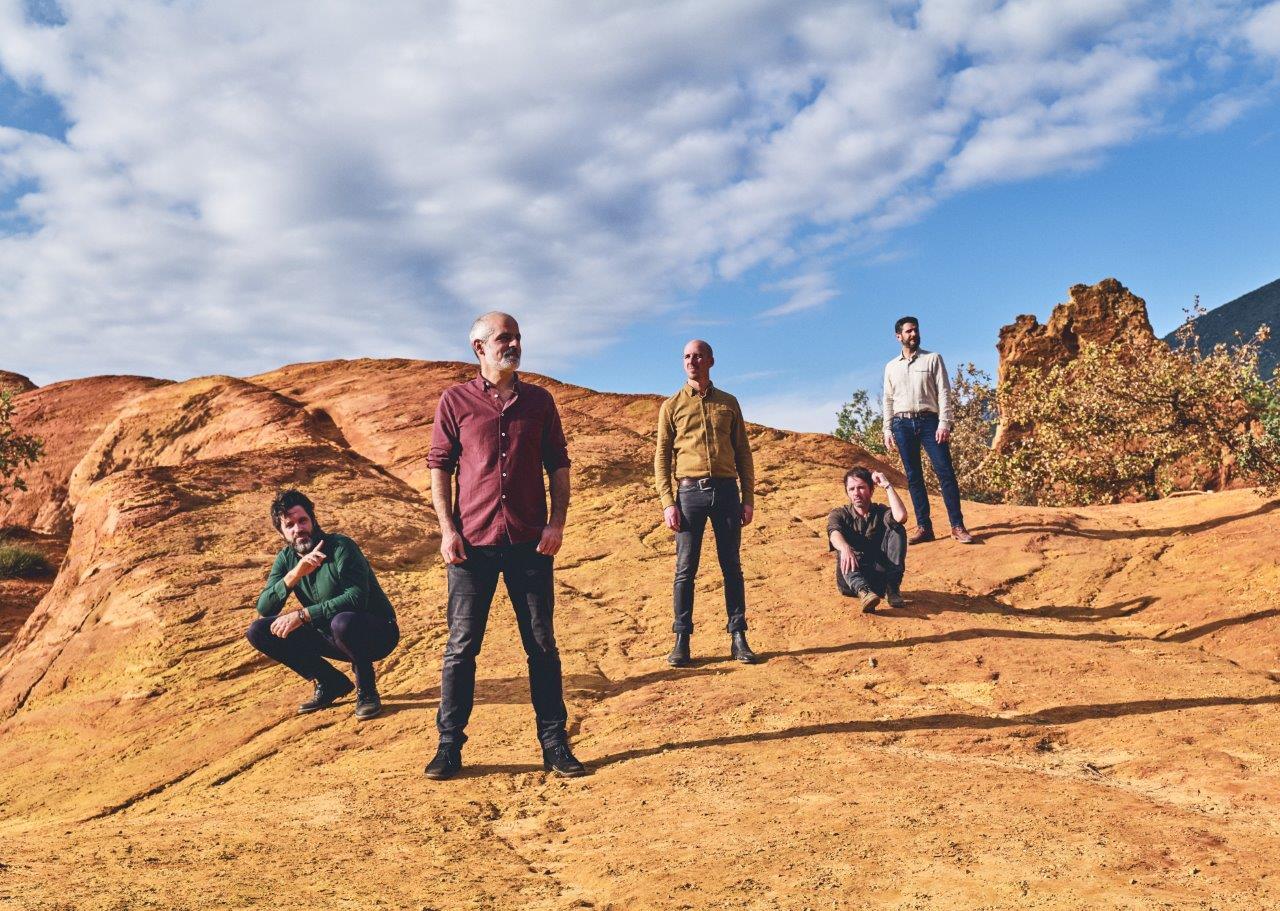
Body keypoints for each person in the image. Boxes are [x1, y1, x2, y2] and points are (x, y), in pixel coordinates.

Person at [424, 311, 585, 780]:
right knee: (461, 647)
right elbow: (439, 466)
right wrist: (447, 529)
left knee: (542, 646)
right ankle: (449, 746)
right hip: (471, 545)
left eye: (516, 337)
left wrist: (556, 523)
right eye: (503, 338)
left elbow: (558, 464)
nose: (512, 344)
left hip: (530, 544)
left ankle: (554, 744)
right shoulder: (455, 401)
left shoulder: (539, 401)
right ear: (479, 348)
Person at [246, 489, 399, 720]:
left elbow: (356, 598)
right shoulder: (286, 559)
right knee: (259, 631)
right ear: (282, 533)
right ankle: (330, 682)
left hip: (376, 633)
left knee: (342, 621)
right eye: (290, 525)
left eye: (302, 520)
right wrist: (296, 573)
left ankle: (367, 691)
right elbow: (265, 608)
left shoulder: (341, 546)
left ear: (313, 520)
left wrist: (303, 615)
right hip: (331, 636)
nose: (298, 529)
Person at [654, 338, 757, 668]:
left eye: (698, 356)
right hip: (689, 496)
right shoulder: (671, 406)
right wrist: (668, 503)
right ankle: (681, 639)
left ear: (711, 360)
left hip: (727, 492)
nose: (692, 361)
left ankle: (738, 636)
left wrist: (748, 498)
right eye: (686, 356)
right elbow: (661, 458)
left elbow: (743, 452)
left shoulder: (728, 403)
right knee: (685, 570)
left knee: (732, 567)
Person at [882, 316, 975, 544]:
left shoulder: (933, 359)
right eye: (909, 331)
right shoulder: (891, 367)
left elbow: (944, 391)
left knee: (945, 472)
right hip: (902, 424)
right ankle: (924, 527)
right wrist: (887, 429)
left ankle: (957, 526)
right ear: (898, 336)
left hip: (930, 422)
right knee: (914, 477)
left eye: (915, 330)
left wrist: (945, 422)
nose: (914, 334)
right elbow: (887, 399)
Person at [827, 467, 907, 612]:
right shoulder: (839, 514)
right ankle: (864, 592)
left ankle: (893, 588)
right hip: (851, 581)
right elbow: (834, 533)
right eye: (851, 489)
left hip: (878, 580)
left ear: (871, 490)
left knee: (898, 528)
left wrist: (887, 485)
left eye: (861, 487)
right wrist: (845, 548)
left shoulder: (881, 512)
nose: (856, 493)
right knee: (842, 546)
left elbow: (901, 517)